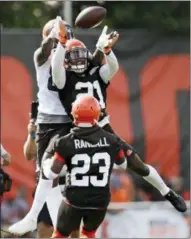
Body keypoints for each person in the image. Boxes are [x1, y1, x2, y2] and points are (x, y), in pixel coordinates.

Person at [50, 25, 187, 214]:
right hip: (77, 132)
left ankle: (167, 192)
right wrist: (61, 43)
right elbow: (56, 68)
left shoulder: (97, 74)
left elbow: (112, 67)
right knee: (52, 169)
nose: (79, 59)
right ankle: (48, 204)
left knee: (137, 164)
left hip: (103, 129)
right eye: (73, 56)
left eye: (81, 54)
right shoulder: (63, 80)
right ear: (65, 61)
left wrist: (107, 50)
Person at [9, 16, 104, 237]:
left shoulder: (75, 53)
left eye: (67, 33)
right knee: (46, 173)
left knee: (73, 181)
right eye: (59, 33)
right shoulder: (43, 55)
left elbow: (96, 64)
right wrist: (54, 36)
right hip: (49, 122)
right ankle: (38, 218)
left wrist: (103, 49)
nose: (65, 37)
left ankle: (68, 223)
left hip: (75, 119)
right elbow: (44, 50)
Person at [43, 95, 127, 238]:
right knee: (89, 234)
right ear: (97, 113)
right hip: (100, 200)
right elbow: (123, 165)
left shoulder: (65, 142)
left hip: (74, 199)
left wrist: (46, 163)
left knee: (60, 235)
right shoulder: (111, 140)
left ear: (74, 113)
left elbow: (51, 174)